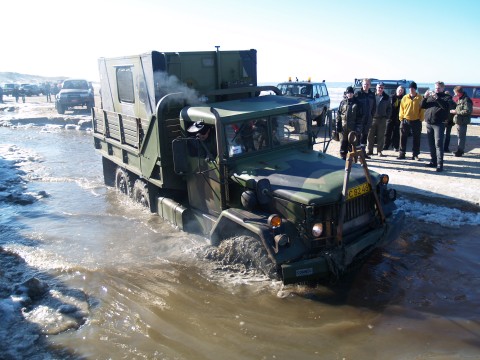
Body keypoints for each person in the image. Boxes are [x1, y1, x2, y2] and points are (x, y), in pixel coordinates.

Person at [421, 81, 455, 172]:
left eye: (439, 88)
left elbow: (447, 107)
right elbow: (422, 106)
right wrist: (424, 97)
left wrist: (437, 99)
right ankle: (433, 161)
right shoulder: (431, 97)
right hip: (429, 123)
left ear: (443, 88)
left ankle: (440, 164)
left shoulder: (447, 97)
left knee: (438, 144)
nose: (437, 89)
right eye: (436, 88)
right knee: (431, 144)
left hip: (439, 123)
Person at [397, 81, 424, 161]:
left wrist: (421, 118)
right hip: (405, 120)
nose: (411, 90)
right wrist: (401, 118)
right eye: (410, 88)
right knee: (403, 137)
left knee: (416, 138)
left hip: (416, 121)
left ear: (415, 89)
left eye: (412, 88)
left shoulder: (420, 98)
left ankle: (415, 154)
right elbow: (401, 108)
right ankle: (402, 153)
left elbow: (422, 109)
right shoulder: (405, 98)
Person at [336, 86, 363, 160]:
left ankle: (354, 158)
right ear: (346, 93)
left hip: (353, 128)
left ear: (353, 93)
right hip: (343, 127)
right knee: (343, 143)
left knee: (353, 144)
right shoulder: (342, 102)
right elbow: (338, 114)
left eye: (351, 93)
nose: (349, 94)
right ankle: (343, 157)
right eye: (348, 93)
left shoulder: (357, 103)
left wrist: (358, 128)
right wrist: (338, 125)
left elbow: (360, 117)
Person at [367, 82, 391, 156]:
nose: (380, 89)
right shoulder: (371, 96)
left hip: (382, 119)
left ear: (383, 88)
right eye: (379, 87)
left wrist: (387, 116)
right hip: (372, 118)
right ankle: (369, 150)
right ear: (376, 88)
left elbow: (389, 108)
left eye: (382, 88)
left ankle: (379, 151)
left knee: (381, 136)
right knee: (370, 135)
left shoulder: (386, 97)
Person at [355, 78, 376, 159]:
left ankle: (363, 153)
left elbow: (374, 107)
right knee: (358, 136)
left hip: (368, 119)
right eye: (364, 84)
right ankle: (357, 153)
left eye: (367, 84)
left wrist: (371, 115)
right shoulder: (358, 94)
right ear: (362, 85)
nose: (366, 86)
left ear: (369, 85)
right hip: (359, 120)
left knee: (365, 136)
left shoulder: (371, 94)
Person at [449, 85, 473, 157]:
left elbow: (468, 111)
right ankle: (459, 150)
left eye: (455, 93)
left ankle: (460, 151)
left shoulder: (466, 100)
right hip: (459, 121)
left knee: (461, 137)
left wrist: (456, 112)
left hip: (463, 121)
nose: (454, 94)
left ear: (458, 92)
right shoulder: (461, 98)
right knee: (459, 136)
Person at [384, 86, 405, 151]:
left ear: (403, 92)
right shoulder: (391, 97)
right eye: (399, 90)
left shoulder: (404, 98)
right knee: (387, 133)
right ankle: (385, 146)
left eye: (401, 90)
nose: (400, 91)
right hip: (390, 118)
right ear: (396, 90)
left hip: (399, 118)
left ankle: (395, 146)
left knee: (397, 133)